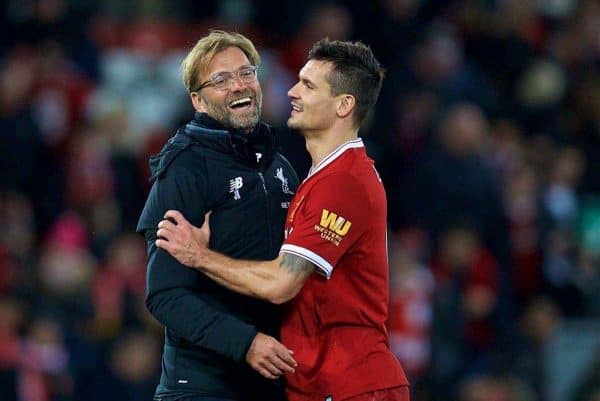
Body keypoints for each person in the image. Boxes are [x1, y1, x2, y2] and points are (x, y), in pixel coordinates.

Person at [156, 39, 410, 401]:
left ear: (344, 105)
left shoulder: (343, 183)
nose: (292, 91)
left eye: (308, 85)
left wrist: (198, 255)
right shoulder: (314, 177)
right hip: (322, 383)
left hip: (352, 384)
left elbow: (281, 283)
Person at [136, 30, 299, 401]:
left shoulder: (281, 167)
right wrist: (245, 343)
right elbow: (165, 295)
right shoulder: (185, 169)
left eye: (246, 73)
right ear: (198, 100)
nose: (238, 86)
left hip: (270, 384)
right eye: (221, 80)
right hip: (202, 387)